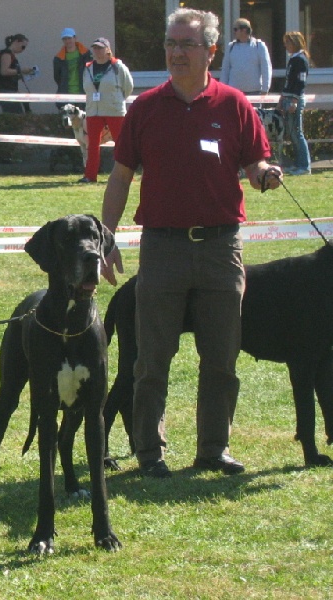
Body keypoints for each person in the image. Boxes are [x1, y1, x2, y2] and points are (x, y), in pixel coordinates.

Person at [100, 8, 282, 479]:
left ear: (210, 52)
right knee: (151, 359)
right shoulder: (145, 108)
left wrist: (265, 173)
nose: (176, 53)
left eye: (187, 44)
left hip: (221, 249)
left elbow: (255, 163)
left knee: (221, 358)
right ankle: (149, 452)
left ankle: (213, 449)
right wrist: (106, 236)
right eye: (171, 43)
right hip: (163, 248)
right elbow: (120, 177)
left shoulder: (233, 104)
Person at [79, 37, 133, 184]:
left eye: (100, 48)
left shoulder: (118, 66)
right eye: (95, 48)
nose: (97, 51)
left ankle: (125, 174)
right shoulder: (88, 67)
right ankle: (90, 176)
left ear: (108, 50)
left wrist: (116, 100)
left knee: (121, 145)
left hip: (114, 110)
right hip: (93, 111)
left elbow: (128, 87)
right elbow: (86, 87)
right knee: (92, 145)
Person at [281, 31, 311, 176]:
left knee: (297, 133)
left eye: (288, 42)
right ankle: (298, 163)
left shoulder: (300, 60)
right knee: (292, 133)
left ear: (295, 43)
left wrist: (294, 100)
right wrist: (282, 98)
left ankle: (304, 166)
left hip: (294, 99)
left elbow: (300, 82)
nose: (286, 45)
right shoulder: (293, 59)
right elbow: (289, 81)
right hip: (288, 98)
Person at [219, 18, 272, 95]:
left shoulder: (259, 46)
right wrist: (222, 89)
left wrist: (265, 89)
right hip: (234, 92)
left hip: (254, 92)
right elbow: (225, 70)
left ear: (244, 30)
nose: (234, 32)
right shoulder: (231, 47)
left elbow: (266, 68)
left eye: (236, 29)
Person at [0, 34, 35, 114]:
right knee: (16, 115)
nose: (23, 50)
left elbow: (10, 75)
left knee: (15, 115)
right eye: (23, 47)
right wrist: (21, 70)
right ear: (17, 42)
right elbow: (4, 71)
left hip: (9, 90)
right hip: (5, 91)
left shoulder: (11, 55)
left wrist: (23, 74)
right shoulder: (7, 54)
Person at [53, 27, 91, 109]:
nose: (67, 41)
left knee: (84, 117)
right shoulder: (58, 58)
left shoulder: (86, 54)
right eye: (65, 39)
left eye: (69, 38)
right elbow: (57, 77)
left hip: (84, 92)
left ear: (75, 38)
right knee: (67, 117)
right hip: (66, 94)